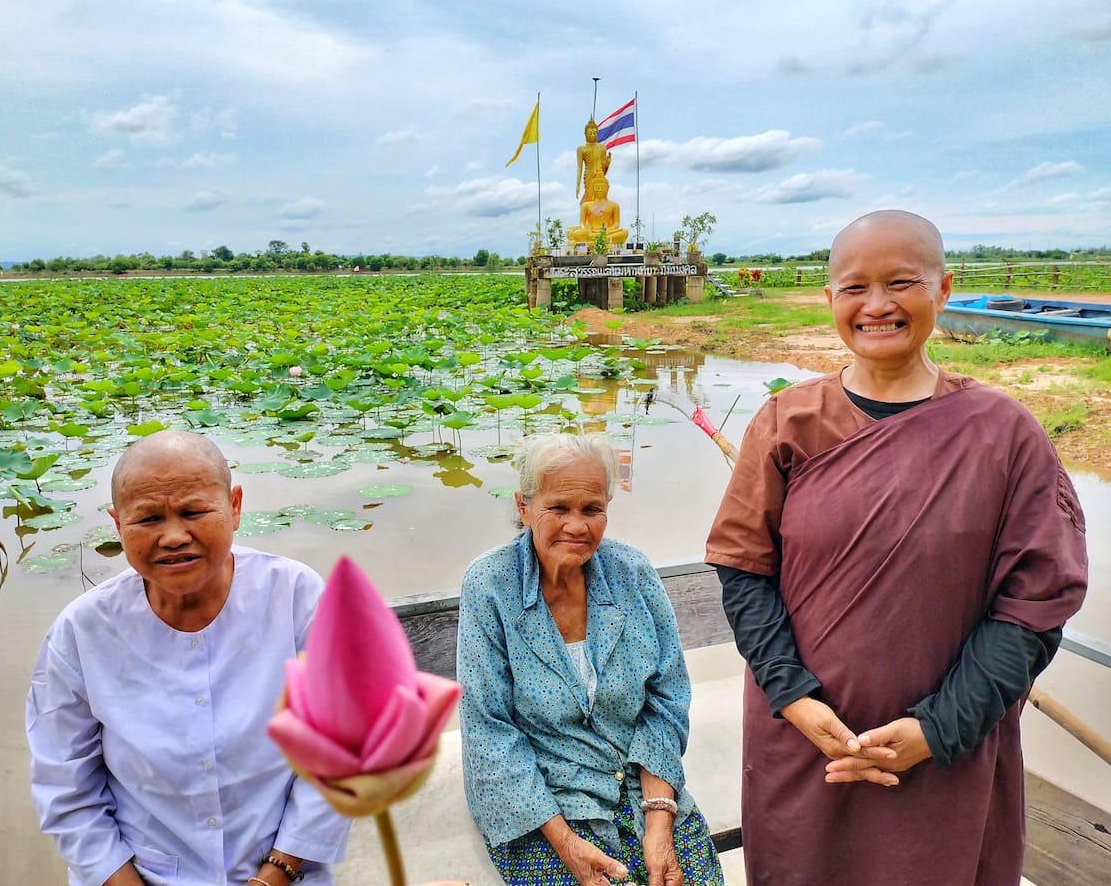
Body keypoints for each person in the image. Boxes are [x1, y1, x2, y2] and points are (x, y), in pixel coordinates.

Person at [704, 210, 1088, 885]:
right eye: (854, 287)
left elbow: (1035, 607)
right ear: (829, 300)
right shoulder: (786, 421)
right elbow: (745, 571)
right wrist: (793, 697)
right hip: (806, 742)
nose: (876, 305)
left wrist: (938, 730)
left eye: (901, 282)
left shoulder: (1004, 434)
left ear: (943, 290)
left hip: (950, 752)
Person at [26, 430, 351, 886]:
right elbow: (66, 789)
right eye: (148, 519)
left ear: (234, 507)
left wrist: (274, 874)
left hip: (283, 872)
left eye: (194, 512)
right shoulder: (82, 631)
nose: (174, 536)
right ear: (117, 524)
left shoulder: (298, 598)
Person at [458, 433, 723, 886]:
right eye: (559, 508)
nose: (577, 526)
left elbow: (666, 698)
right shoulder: (490, 584)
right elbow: (488, 730)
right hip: (544, 802)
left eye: (591, 509)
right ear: (524, 508)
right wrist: (568, 846)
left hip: (643, 784)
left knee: (683, 876)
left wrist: (659, 821)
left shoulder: (631, 573)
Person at [567, 175, 629, 248]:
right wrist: (586, 229)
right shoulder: (585, 205)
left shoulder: (614, 205)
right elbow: (582, 223)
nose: (600, 190)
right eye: (597, 187)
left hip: (607, 232)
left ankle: (590, 244)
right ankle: (602, 244)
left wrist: (607, 230)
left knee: (624, 232)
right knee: (578, 234)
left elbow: (616, 223)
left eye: (603, 187)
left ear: (607, 188)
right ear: (593, 188)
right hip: (591, 232)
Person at [575, 118, 612, 205]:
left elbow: (603, 166)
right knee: (589, 199)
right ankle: (588, 214)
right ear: (585, 134)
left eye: (594, 133)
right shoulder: (581, 149)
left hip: (599, 175)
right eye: (589, 133)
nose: (592, 135)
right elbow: (579, 169)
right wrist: (577, 185)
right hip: (589, 175)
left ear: (597, 133)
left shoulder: (602, 147)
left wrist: (607, 163)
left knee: (600, 198)